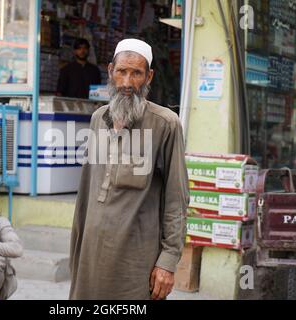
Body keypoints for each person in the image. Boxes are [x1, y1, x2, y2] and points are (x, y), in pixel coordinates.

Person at [69, 39, 190, 300]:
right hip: (90, 253)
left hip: (135, 262)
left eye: (136, 73)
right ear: (110, 71)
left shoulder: (165, 124)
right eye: (122, 71)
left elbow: (176, 200)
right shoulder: (98, 119)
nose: (126, 82)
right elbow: (87, 192)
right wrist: (76, 250)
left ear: (149, 76)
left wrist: (167, 262)